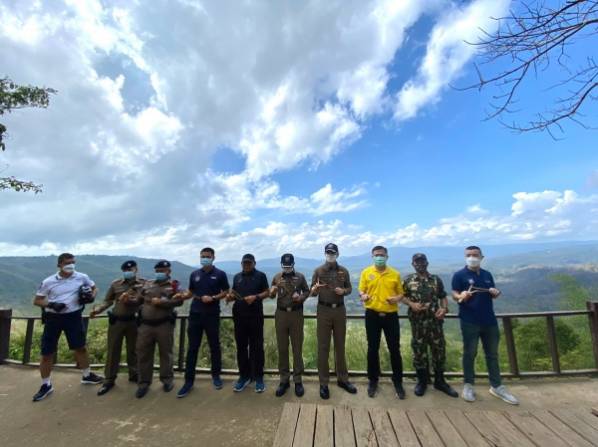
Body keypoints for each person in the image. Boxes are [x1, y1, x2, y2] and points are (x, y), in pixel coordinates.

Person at [452, 246, 519, 405]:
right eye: (468, 255)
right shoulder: (459, 275)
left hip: (489, 321)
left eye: (475, 255)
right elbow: (454, 295)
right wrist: (461, 295)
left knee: (492, 355)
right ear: (465, 257)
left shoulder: (487, 274)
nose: (472, 258)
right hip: (469, 321)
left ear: (482, 257)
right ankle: (468, 385)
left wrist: (495, 293)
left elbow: (492, 294)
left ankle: (497, 386)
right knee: (470, 353)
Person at [32, 253, 103, 401]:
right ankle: (46, 385)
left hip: (74, 317)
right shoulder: (49, 281)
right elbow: (37, 300)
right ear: (59, 265)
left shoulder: (82, 277)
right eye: (67, 263)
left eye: (73, 262)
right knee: (47, 352)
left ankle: (87, 375)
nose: (71, 265)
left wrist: (92, 296)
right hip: (53, 318)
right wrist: (52, 304)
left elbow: (94, 288)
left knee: (80, 347)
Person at [176, 248, 230, 398]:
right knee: (192, 348)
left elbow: (226, 291)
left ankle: (216, 376)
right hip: (195, 315)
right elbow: (190, 292)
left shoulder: (220, 274)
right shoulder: (195, 274)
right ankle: (188, 382)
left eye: (207, 256)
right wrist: (181, 296)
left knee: (214, 346)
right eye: (202, 256)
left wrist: (213, 298)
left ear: (213, 257)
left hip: (212, 315)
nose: (205, 258)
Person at [402, 253, 457, 398]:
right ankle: (422, 382)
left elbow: (443, 297)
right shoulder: (408, 280)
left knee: (439, 351)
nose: (420, 264)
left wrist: (444, 308)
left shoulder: (436, 279)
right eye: (417, 262)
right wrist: (411, 304)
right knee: (419, 352)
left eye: (422, 261)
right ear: (413, 264)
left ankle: (440, 381)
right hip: (418, 323)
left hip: (435, 322)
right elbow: (402, 296)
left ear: (427, 263)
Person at [90, 260, 145, 396]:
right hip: (117, 322)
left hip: (134, 322)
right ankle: (109, 380)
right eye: (125, 270)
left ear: (136, 269)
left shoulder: (144, 284)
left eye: (130, 269)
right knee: (113, 350)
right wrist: (98, 310)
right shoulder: (116, 284)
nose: (128, 272)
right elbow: (108, 301)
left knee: (134, 350)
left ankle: (134, 374)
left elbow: (146, 300)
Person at [358, 245, 405, 399]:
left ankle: (398, 381)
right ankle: (373, 380)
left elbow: (401, 294)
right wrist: (363, 295)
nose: (379, 257)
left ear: (387, 257)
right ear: (372, 257)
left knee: (394, 349)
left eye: (382, 255)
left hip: (391, 316)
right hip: (372, 314)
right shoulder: (366, 272)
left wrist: (396, 299)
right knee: (373, 348)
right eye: (377, 255)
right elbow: (361, 290)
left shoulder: (395, 274)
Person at [311, 243, 356, 400]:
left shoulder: (344, 271)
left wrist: (343, 291)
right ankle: (323, 383)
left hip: (339, 310)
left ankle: (343, 379)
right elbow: (312, 292)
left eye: (333, 253)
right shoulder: (318, 271)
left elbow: (349, 288)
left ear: (337, 254)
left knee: (340, 345)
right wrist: (315, 290)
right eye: (328, 252)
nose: (330, 255)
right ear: (325, 254)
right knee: (323, 347)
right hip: (323, 310)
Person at [134, 260, 185, 399]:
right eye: (157, 271)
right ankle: (143, 383)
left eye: (162, 271)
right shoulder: (148, 284)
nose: (159, 273)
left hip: (164, 325)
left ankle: (167, 380)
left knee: (166, 353)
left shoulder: (174, 285)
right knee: (143, 354)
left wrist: (163, 302)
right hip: (145, 325)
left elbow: (180, 301)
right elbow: (139, 300)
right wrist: (128, 299)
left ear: (169, 271)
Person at [226, 254, 269, 393]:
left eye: (249, 263)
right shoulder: (237, 277)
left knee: (257, 347)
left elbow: (267, 292)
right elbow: (234, 293)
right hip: (239, 317)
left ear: (254, 263)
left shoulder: (261, 276)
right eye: (244, 263)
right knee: (241, 348)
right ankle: (244, 376)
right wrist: (230, 297)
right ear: (241, 264)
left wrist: (255, 297)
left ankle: (258, 377)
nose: (247, 265)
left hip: (255, 317)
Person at [269, 253, 310, 397]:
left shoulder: (300, 277)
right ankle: (284, 380)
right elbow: (271, 295)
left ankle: (298, 380)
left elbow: (307, 291)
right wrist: (272, 291)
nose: (287, 268)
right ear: (281, 264)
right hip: (281, 314)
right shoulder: (276, 277)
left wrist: (301, 297)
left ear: (293, 264)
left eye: (289, 266)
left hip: (296, 314)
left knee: (297, 348)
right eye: (284, 266)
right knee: (282, 348)